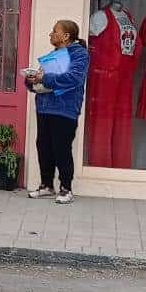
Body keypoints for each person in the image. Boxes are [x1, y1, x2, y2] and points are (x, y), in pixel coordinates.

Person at [24, 20, 90, 205]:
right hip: (45, 106)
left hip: (65, 108)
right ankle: (46, 185)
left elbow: (74, 78)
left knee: (61, 147)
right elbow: (42, 78)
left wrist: (44, 77)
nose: (51, 34)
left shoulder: (79, 54)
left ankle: (66, 188)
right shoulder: (53, 55)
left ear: (66, 36)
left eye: (55, 31)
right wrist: (31, 80)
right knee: (44, 146)